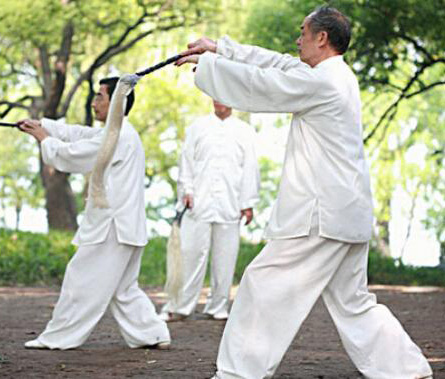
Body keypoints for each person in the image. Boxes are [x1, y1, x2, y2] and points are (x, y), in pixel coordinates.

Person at [175, 6, 433, 379]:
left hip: (321, 215)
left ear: (321, 38)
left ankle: (237, 374)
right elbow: (278, 65)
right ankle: (407, 370)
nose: (298, 40)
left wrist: (212, 69)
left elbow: (265, 87)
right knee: (354, 303)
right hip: (345, 213)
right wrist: (221, 49)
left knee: (262, 282)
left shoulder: (323, 82)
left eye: (303, 33)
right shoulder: (333, 75)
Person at [19, 77, 171, 351]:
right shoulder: (119, 132)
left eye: (100, 96)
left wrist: (44, 140)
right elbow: (80, 134)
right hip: (125, 226)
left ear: (117, 103)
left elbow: (72, 155)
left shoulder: (118, 136)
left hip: (112, 227)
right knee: (124, 289)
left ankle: (58, 337)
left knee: (80, 278)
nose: (94, 102)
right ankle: (153, 334)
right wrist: (45, 126)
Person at [160, 99, 260, 322]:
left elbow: (250, 169)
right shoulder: (197, 127)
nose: (219, 101)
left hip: (230, 203)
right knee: (190, 254)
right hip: (198, 202)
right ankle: (180, 306)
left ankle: (219, 306)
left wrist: (248, 203)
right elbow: (186, 161)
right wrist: (186, 189)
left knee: (225, 258)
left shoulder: (244, 131)